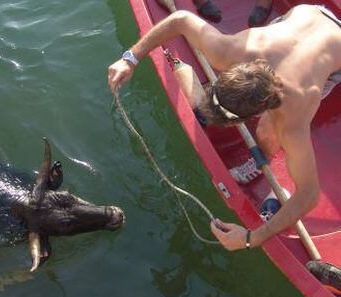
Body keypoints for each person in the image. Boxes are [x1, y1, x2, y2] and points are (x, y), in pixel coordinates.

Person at [108, 4, 341, 251]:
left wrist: (251, 238)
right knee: (270, 124)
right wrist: (130, 58)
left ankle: (262, 156)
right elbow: (181, 18)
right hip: (307, 14)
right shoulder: (226, 49)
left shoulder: (294, 113)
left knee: (268, 130)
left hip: (336, 49)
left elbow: (309, 194)